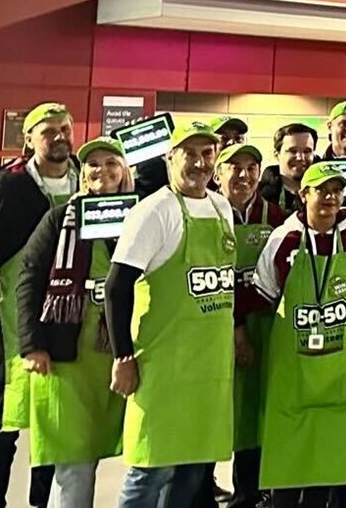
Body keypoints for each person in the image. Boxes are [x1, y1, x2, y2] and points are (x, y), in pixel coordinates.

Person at [102, 120, 237, 506]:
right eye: (189, 154)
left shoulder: (221, 207)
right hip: (165, 367)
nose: (199, 163)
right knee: (151, 469)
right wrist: (123, 356)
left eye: (207, 153)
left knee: (195, 466)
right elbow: (116, 287)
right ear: (170, 158)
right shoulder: (153, 212)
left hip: (210, 366)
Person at [0, 102, 74, 508]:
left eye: (64, 128)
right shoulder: (6, 188)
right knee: (5, 419)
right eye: (48, 131)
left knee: (57, 420)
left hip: (72, 323)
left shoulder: (85, 179)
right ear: (28, 139)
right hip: (19, 324)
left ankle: (44, 501)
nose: (59, 137)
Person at [253, 161, 346, 508]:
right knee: (288, 451)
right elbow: (263, 293)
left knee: (327, 456)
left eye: (337, 191)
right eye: (322, 190)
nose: (330, 197)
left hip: (339, 368)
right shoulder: (283, 239)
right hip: (293, 369)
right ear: (303, 194)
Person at [13, 138, 130, 508]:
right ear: (83, 173)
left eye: (111, 162)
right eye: (93, 163)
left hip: (121, 350)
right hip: (69, 353)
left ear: (124, 169)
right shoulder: (59, 218)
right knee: (74, 458)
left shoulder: (141, 216)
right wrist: (32, 344)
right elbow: (29, 277)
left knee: (129, 451)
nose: (102, 171)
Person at [221, 142, 290, 508]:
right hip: (216, 328)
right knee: (220, 412)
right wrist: (236, 329)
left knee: (258, 413)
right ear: (219, 174)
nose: (244, 175)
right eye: (235, 167)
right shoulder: (207, 214)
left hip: (267, 329)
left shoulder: (277, 217)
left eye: (251, 168)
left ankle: (254, 493)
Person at [136, 116, 248, 198]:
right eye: (224, 138)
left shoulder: (246, 181)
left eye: (238, 138)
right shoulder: (162, 176)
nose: (231, 143)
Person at [258, 123, 320, 214]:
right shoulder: (258, 196)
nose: (300, 157)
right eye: (293, 151)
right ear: (277, 155)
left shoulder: (325, 195)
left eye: (307, 151)